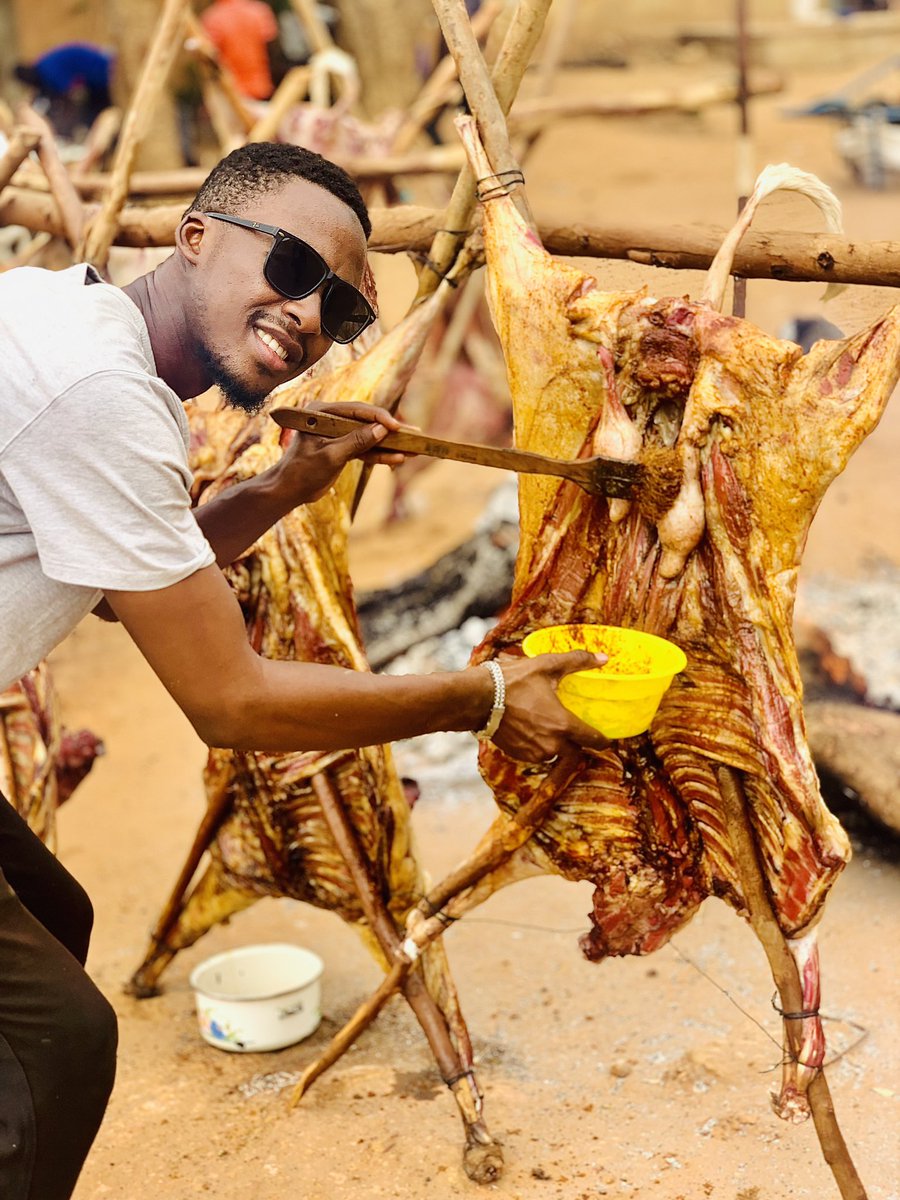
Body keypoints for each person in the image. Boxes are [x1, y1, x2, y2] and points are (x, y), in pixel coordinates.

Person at [0, 140, 610, 1199]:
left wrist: (291, 481)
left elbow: (113, 580)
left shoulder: (60, 314)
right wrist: (490, 695)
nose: (311, 318)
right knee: (59, 1042)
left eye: (344, 306)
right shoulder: (102, 391)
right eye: (291, 266)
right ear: (194, 237)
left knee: (56, 916)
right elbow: (230, 702)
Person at [14, 42, 114, 140]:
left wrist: (68, 125)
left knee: (97, 110)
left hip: (100, 71)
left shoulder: (48, 72)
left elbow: (67, 95)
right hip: (95, 70)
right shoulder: (41, 68)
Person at [200, 0, 280, 100]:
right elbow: (273, 49)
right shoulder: (259, 10)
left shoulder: (212, 18)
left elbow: (211, 58)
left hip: (233, 93)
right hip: (264, 87)